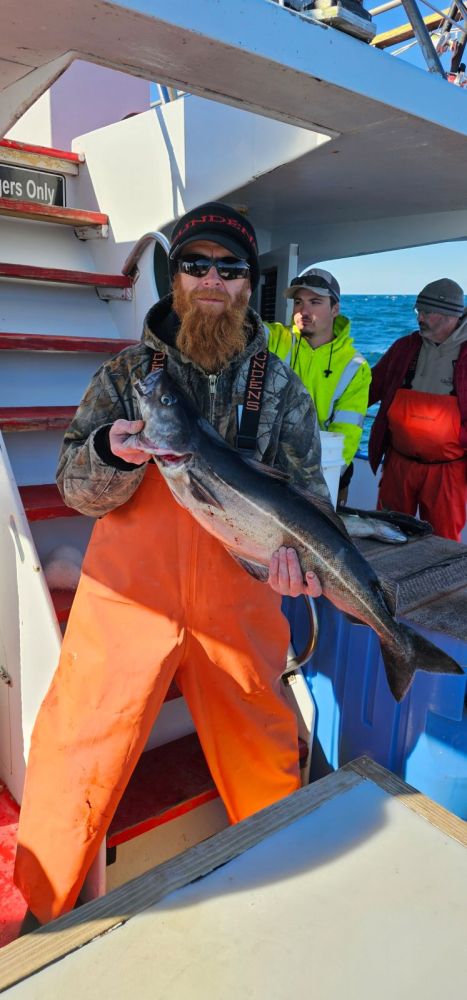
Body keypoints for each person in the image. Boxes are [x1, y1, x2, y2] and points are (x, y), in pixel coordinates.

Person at [15, 202, 327, 927]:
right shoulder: (127, 374)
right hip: (128, 597)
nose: (211, 279)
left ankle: (292, 903)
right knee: (74, 748)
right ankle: (39, 917)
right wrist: (110, 455)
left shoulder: (279, 389)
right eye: (195, 264)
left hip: (240, 597)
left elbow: (308, 503)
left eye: (229, 268)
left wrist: (292, 568)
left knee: (267, 749)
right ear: (174, 278)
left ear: (251, 284)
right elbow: (72, 488)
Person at [369, 278, 467, 541]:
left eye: (427, 312)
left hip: (447, 473)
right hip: (399, 465)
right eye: (417, 311)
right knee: (387, 533)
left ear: (451, 315)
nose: (419, 317)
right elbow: (369, 387)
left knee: (444, 543)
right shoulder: (405, 347)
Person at [265, 269, 371, 504]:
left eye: (315, 302)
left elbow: (346, 435)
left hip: (322, 474)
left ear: (335, 309)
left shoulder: (355, 367)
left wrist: (317, 483)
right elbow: (241, 328)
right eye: (298, 302)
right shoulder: (274, 338)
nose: (304, 311)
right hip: (269, 467)